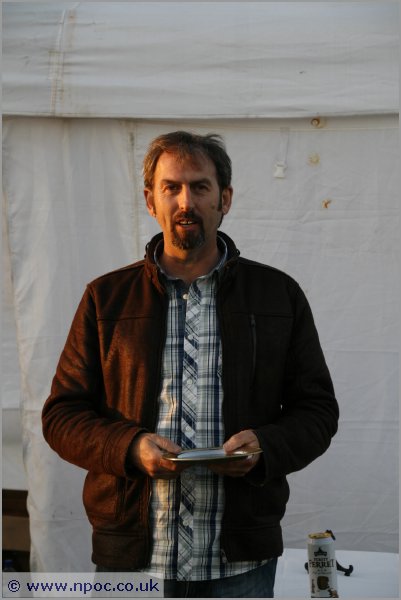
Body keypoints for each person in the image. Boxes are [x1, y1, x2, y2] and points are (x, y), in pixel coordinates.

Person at [42, 131, 339, 598]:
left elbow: (318, 411)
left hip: (240, 563)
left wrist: (265, 446)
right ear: (150, 201)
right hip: (133, 561)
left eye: (200, 187)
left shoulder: (278, 296)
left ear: (225, 199)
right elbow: (62, 416)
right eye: (171, 187)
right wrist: (130, 447)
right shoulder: (106, 299)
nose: (186, 201)